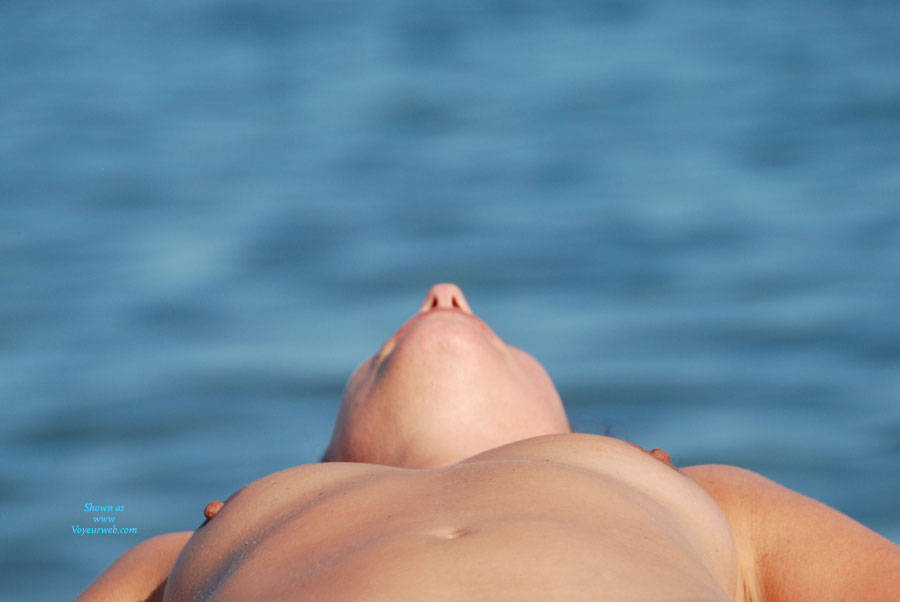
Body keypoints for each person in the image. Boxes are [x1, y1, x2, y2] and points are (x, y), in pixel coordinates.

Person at [76, 284, 900, 602]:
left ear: (648, 457)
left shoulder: (702, 499)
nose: (445, 294)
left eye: (506, 342)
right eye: (372, 360)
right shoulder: (205, 542)